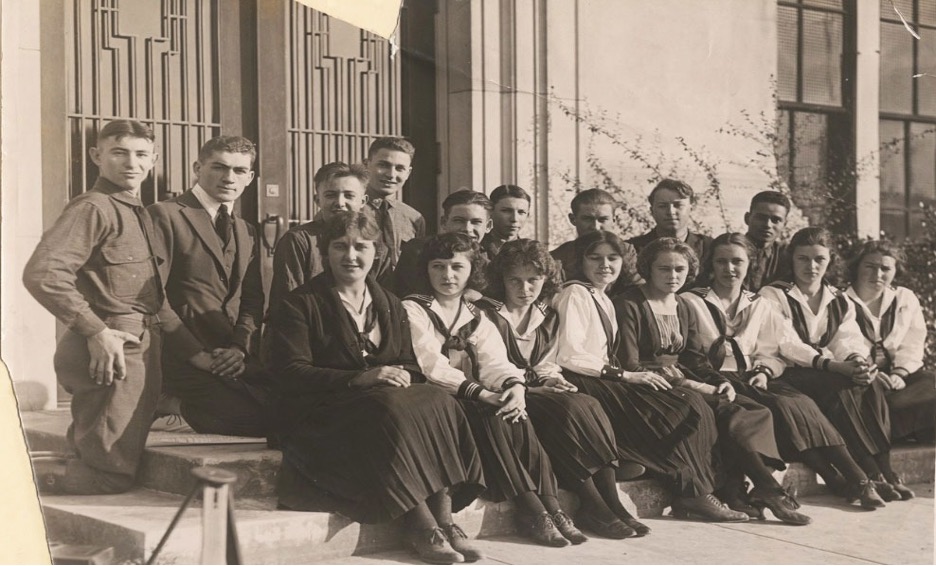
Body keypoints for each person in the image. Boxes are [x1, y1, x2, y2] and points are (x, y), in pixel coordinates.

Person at [266, 211, 485, 565]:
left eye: (361, 246)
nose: (351, 256)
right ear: (325, 252)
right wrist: (358, 378)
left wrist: (396, 375)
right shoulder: (300, 304)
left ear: (377, 252)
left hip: (376, 406)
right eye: (340, 246)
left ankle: (445, 518)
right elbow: (290, 373)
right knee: (389, 409)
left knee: (436, 399)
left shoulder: (389, 303)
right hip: (319, 415)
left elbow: (409, 362)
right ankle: (420, 525)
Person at [23, 119, 202, 494]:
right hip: (112, 354)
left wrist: (196, 353)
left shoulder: (138, 211)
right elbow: (43, 273)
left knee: (102, 459)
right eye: (119, 152)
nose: (130, 163)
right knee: (108, 473)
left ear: (154, 160)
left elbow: (153, 300)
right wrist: (96, 331)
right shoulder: (94, 208)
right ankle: (14, 485)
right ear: (96, 156)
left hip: (138, 349)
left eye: (140, 154)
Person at [553, 231, 748, 523]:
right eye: (595, 258)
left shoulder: (601, 296)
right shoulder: (576, 293)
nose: (604, 265)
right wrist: (627, 376)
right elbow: (569, 355)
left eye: (612, 258)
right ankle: (690, 492)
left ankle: (693, 490)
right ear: (581, 261)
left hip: (604, 377)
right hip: (583, 379)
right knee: (686, 406)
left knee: (691, 405)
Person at [404, 233, 584, 547]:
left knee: (516, 412)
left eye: (457, 267)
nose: (448, 275)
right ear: (427, 270)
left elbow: (495, 362)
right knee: (490, 417)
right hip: (436, 397)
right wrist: (484, 394)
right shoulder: (415, 308)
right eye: (439, 267)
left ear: (471, 270)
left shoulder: (475, 315)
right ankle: (531, 509)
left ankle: (551, 508)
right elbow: (431, 365)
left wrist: (515, 388)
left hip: (473, 394)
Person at [684, 233, 870, 520]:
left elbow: (772, 350)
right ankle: (769, 487)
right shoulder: (691, 301)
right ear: (711, 264)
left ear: (750, 264)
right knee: (755, 411)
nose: (729, 269)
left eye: (737, 261)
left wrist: (763, 370)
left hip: (751, 375)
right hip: (713, 377)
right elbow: (690, 353)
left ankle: (854, 476)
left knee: (796, 403)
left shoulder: (759, 304)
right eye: (721, 261)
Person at [476, 239, 650, 539]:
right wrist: (529, 385)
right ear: (501, 280)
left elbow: (545, 362)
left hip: (535, 389)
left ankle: (611, 502)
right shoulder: (487, 313)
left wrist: (550, 378)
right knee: (566, 412)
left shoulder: (546, 316)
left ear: (544, 280)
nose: (524, 289)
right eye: (514, 280)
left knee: (585, 403)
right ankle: (592, 504)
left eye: (533, 280)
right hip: (503, 390)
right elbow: (490, 366)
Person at [614, 237, 792, 522]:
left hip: (681, 379)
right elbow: (629, 363)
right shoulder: (629, 304)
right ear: (648, 268)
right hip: (644, 385)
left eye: (679, 270)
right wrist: (691, 384)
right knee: (699, 408)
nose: (672, 276)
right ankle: (702, 495)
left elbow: (694, 358)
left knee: (749, 408)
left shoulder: (682, 306)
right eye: (664, 269)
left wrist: (719, 382)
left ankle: (742, 489)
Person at [760, 227, 895, 507]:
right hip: (785, 371)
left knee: (868, 383)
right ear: (792, 260)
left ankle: (883, 471)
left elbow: (847, 337)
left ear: (830, 261)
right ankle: (867, 473)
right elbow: (786, 344)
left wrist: (857, 360)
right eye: (803, 259)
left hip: (824, 370)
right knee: (838, 385)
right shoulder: (774, 295)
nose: (811, 266)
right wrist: (832, 365)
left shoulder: (838, 299)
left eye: (819, 259)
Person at [148, 136, 269, 438]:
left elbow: (252, 300)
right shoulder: (165, 214)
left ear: (250, 178)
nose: (229, 178)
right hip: (179, 357)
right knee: (256, 422)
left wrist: (240, 348)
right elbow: (153, 296)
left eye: (240, 171)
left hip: (230, 355)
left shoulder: (246, 230)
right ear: (197, 168)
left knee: (290, 408)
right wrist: (195, 354)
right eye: (219, 167)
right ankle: (166, 405)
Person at [845, 240, 934, 453]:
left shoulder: (904, 298)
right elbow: (840, 342)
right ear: (857, 267)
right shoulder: (841, 300)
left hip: (898, 376)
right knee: (865, 400)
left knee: (931, 383)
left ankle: (890, 425)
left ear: (895, 271)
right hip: (860, 376)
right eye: (870, 266)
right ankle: (899, 427)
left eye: (885, 268)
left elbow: (913, 341)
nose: (878, 274)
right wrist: (867, 371)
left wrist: (900, 374)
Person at [268, 161, 390, 316]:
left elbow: (382, 300)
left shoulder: (372, 243)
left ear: (363, 202)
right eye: (330, 195)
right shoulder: (299, 240)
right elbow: (288, 300)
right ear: (317, 200)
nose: (340, 203)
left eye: (349, 195)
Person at [394, 190, 493, 298]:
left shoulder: (490, 261)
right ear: (444, 222)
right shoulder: (419, 251)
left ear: (488, 226)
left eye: (476, 222)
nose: (467, 229)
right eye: (459, 220)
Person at [627, 179, 711, 290]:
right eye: (663, 206)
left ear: (691, 208)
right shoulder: (633, 249)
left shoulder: (709, 247)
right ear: (652, 211)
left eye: (678, 205)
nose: (670, 212)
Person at [550, 189, 640, 293]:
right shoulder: (558, 257)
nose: (596, 227)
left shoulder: (625, 251)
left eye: (603, 219)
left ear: (614, 220)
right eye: (587, 219)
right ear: (573, 219)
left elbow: (637, 292)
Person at [364, 137, 426, 268]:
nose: (391, 174)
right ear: (366, 165)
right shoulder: (349, 210)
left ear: (408, 173)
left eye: (399, 168)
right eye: (383, 165)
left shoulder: (414, 218)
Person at [743, 190, 790, 291]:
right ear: (747, 218)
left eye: (776, 220)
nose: (767, 225)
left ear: (784, 225)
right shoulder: (726, 249)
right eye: (761, 218)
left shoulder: (786, 256)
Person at [480, 185, 531, 257]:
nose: (514, 219)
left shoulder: (530, 253)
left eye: (521, 212)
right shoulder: (476, 249)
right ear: (491, 212)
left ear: (527, 216)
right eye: (506, 211)